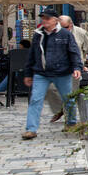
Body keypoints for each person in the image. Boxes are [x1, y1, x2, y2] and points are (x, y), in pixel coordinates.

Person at [22, 10, 83, 139]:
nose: (44, 20)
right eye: (43, 18)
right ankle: (31, 129)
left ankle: (71, 122)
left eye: (47, 18)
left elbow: (74, 52)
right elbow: (32, 55)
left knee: (68, 99)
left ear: (56, 20)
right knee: (35, 100)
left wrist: (77, 67)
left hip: (62, 72)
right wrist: (28, 74)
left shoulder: (65, 34)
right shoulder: (38, 35)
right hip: (41, 73)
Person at [47, 16, 88, 124]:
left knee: (70, 95)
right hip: (58, 68)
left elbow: (84, 50)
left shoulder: (81, 33)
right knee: (50, 89)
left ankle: (70, 121)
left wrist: (81, 64)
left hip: (74, 68)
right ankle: (60, 109)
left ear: (70, 25)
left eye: (64, 27)